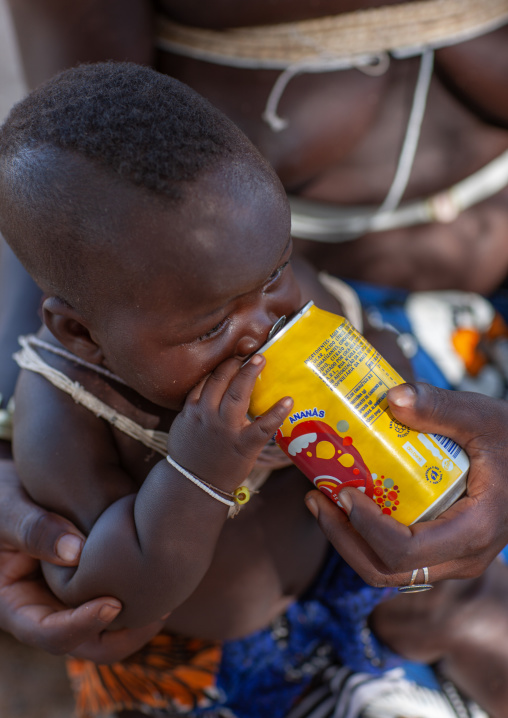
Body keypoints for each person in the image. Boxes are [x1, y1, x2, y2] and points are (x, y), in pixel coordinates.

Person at [2, 60, 508, 718]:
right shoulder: (66, 407)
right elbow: (103, 594)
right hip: (218, 661)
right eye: (212, 325)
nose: (261, 329)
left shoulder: (265, 293)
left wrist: (368, 389)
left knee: (482, 613)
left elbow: (376, 349)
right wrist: (200, 471)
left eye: (275, 275)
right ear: (82, 334)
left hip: (364, 571)